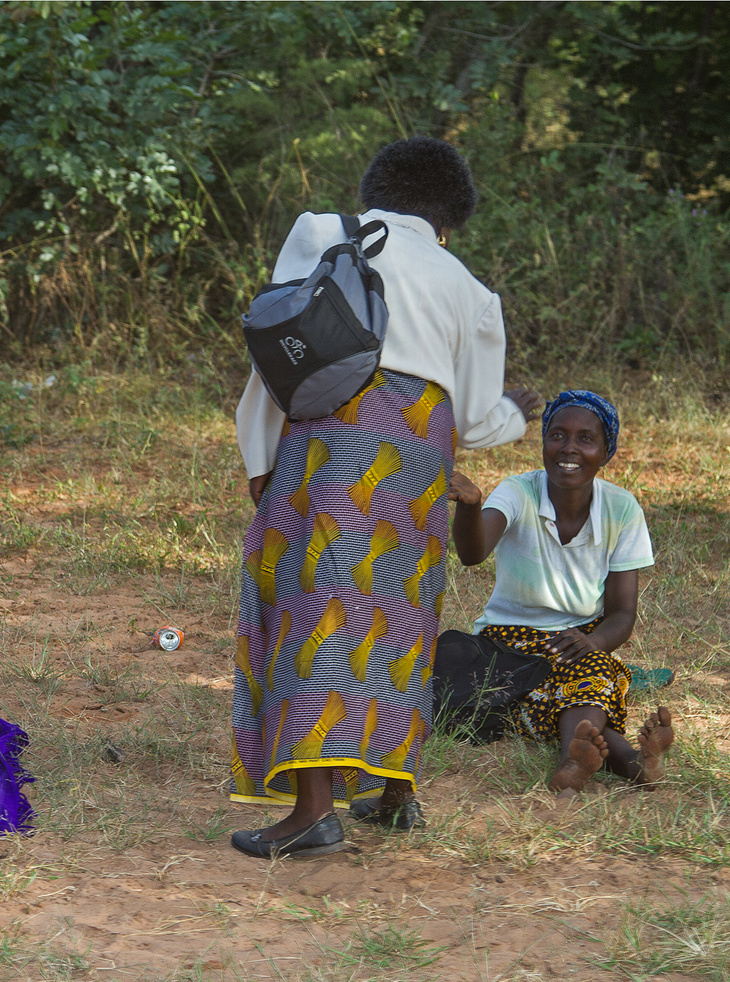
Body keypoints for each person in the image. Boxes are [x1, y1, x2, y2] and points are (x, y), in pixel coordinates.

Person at [229, 136, 542, 858]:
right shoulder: (470, 288)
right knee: (400, 613)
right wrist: (514, 413)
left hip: (333, 441)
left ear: (374, 190)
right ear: (448, 222)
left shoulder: (326, 235)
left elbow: (282, 348)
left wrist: (257, 454)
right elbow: (473, 416)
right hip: (417, 452)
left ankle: (311, 815)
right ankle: (393, 791)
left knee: (319, 608)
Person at [450, 390, 673, 792]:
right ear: (543, 444)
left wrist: (593, 641)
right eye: (557, 435)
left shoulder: (622, 510)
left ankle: (578, 762)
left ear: (606, 452)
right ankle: (632, 763)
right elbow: (472, 553)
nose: (568, 448)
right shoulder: (517, 492)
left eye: (585, 439)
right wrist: (469, 508)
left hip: (574, 642)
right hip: (504, 644)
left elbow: (622, 613)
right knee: (519, 697)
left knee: (592, 670)